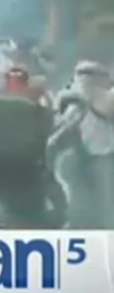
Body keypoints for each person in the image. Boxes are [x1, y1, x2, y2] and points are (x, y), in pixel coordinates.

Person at [51, 61, 114, 228]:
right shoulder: (69, 94)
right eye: (80, 74)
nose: (84, 78)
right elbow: (58, 123)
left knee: (106, 203)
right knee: (76, 200)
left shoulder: (106, 95)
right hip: (76, 155)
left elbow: (107, 108)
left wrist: (90, 95)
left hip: (105, 157)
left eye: (89, 74)